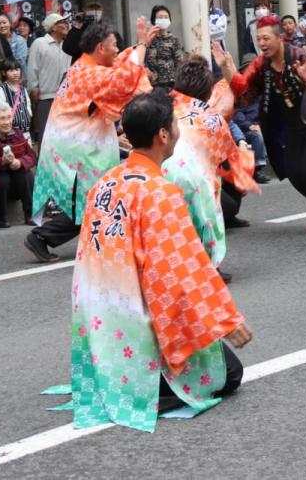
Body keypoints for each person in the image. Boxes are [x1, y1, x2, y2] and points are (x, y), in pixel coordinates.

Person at [68, 92, 252, 432]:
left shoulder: (105, 183)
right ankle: (147, 384)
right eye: (174, 125)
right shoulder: (159, 192)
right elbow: (179, 269)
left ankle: (126, 375)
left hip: (101, 320)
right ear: (163, 136)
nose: (178, 132)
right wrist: (221, 319)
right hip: (137, 321)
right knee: (230, 373)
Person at [26, 19, 155, 262]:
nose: (117, 49)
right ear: (100, 48)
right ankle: (42, 236)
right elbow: (122, 79)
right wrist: (140, 45)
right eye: (114, 45)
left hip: (82, 142)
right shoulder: (87, 72)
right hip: (75, 146)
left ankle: (106, 239)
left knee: (98, 196)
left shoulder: (88, 66)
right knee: (94, 199)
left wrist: (138, 48)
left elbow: (122, 67)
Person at [214, 18, 306, 231]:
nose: (261, 43)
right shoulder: (260, 64)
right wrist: (227, 69)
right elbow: (243, 90)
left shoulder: (300, 56)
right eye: (258, 39)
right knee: (293, 174)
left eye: (266, 38)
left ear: (280, 38)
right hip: (290, 125)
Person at [163, 55, 259, 269]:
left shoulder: (165, 106)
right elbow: (226, 156)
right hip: (196, 179)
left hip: (161, 174)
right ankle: (210, 267)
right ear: (208, 90)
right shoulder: (210, 115)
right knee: (206, 219)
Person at [0, 99, 37, 229]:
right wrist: (1, 162)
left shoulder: (17, 133)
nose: (7, 122)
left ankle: (30, 214)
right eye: (2, 119)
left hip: (17, 182)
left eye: (9, 117)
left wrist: (20, 162)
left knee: (26, 174)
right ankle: (1, 218)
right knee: (2, 178)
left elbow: (32, 156)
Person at [26, 12, 73, 146]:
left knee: (63, 135)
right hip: (45, 96)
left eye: (66, 22)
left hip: (64, 97)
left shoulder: (67, 45)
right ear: (53, 27)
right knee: (46, 134)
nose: (66, 25)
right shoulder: (40, 43)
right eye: (62, 22)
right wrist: (34, 88)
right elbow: (32, 68)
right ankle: (43, 163)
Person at [229, 92, 271, 184]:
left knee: (258, 135)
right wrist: (249, 126)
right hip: (240, 130)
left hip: (254, 129)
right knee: (256, 135)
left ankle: (257, 169)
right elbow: (235, 118)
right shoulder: (237, 102)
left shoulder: (259, 100)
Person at [145, 4, 184, 89]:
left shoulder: (174, 40)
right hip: (153, 84)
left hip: (172, 83)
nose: (163, 19)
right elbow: (144, 60)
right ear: (154, 20)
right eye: (160, 17)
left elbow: (180, 62)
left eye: (166, 17)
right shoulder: (148, 39)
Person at [0, 58, 32, 137]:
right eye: (11, 71)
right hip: (11, 133)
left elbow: (28, 105)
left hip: (26, 131)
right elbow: (0, 108)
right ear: (4, 73)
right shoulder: (2, 89)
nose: (15, 73)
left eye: (17, 69)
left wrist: (28, 115)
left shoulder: (23, 89)